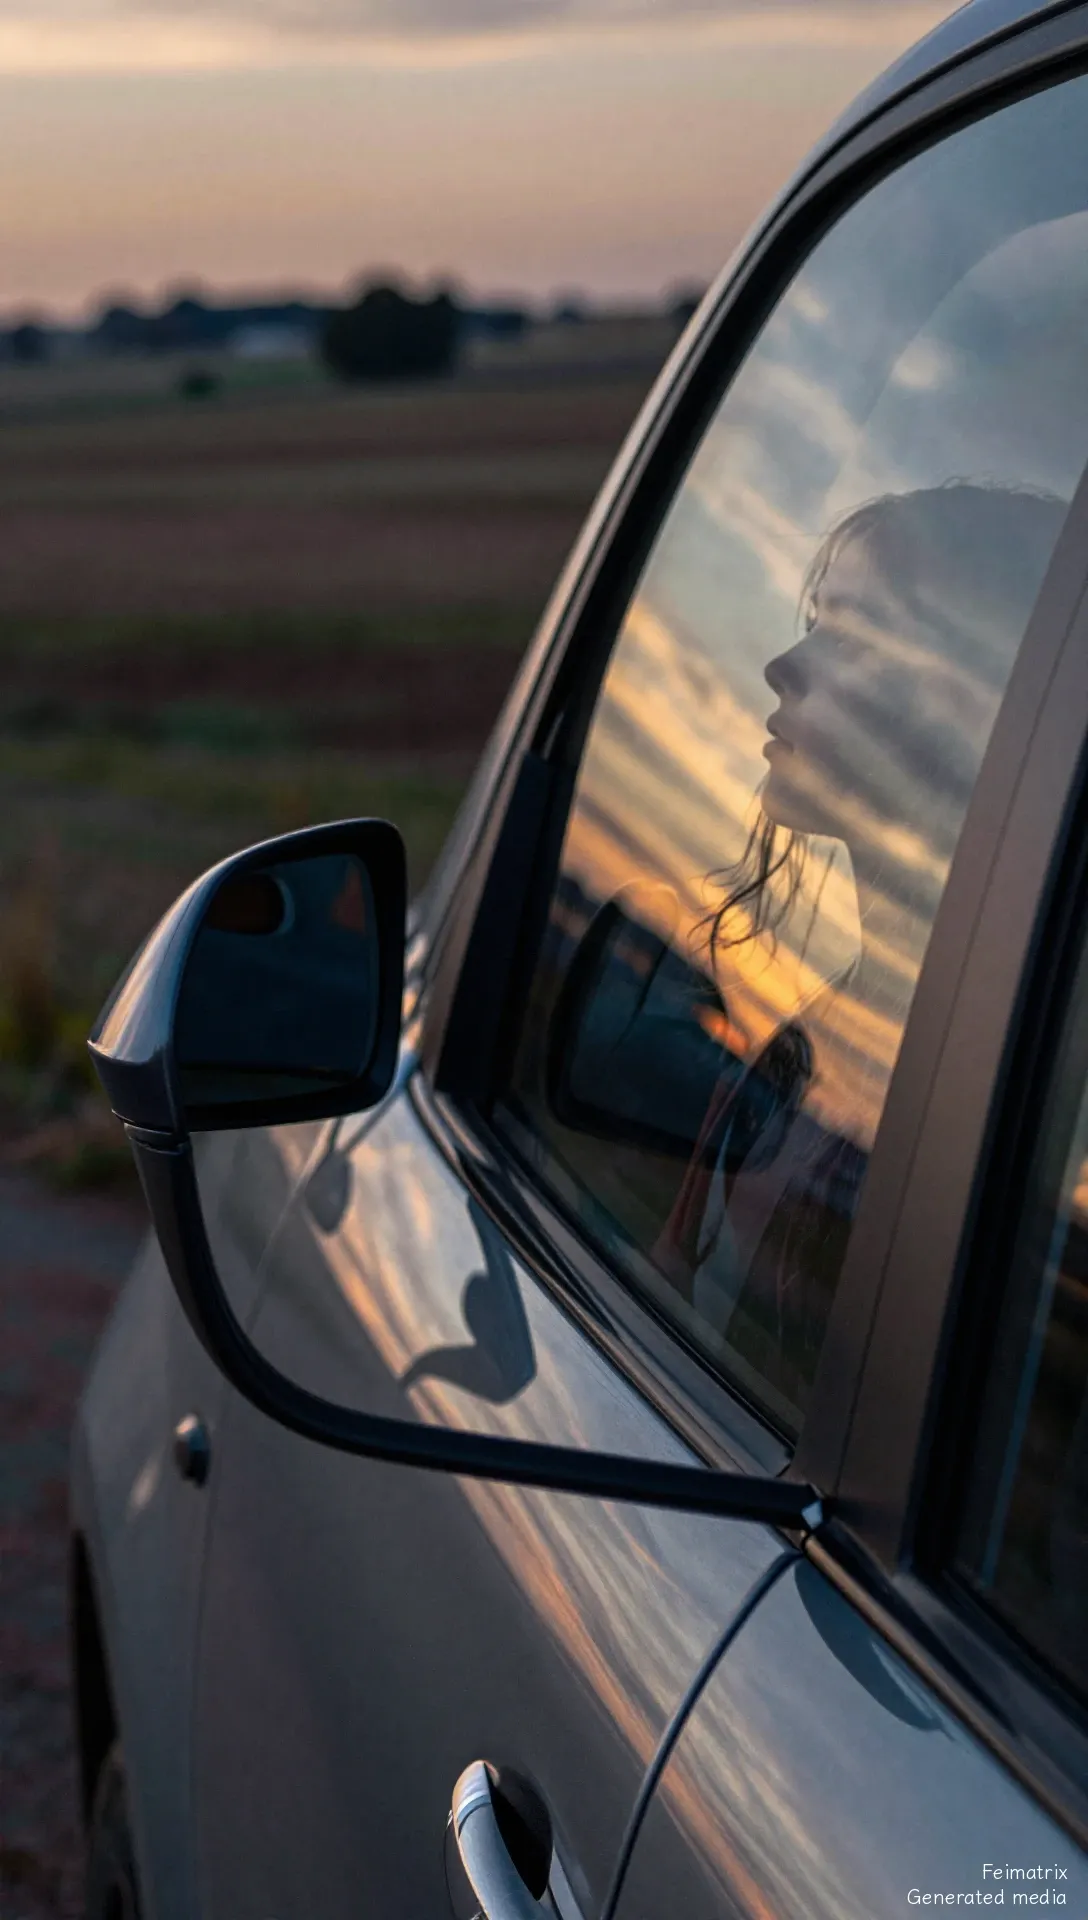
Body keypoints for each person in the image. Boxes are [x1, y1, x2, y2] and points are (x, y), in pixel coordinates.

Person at [654, 481, 1066, 1426]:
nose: (780, 665)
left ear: (985, 699)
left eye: (857, 632)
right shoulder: (813, 1053)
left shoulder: (1025, 1098)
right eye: (815, 623)